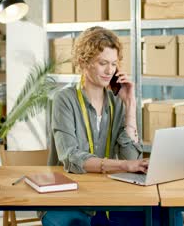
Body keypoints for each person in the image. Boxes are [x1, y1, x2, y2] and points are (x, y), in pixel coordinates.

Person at [43, 26, 154, 226]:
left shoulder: (117, 101)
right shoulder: (64, 99)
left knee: (162, 217)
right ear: (84, 62)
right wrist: (121, 165)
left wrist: (130, 105)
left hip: (108, 194)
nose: (109, 70)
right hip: (69, 196)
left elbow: (131, 158)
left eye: (113, 64)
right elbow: (71, 157)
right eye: (102, 63)